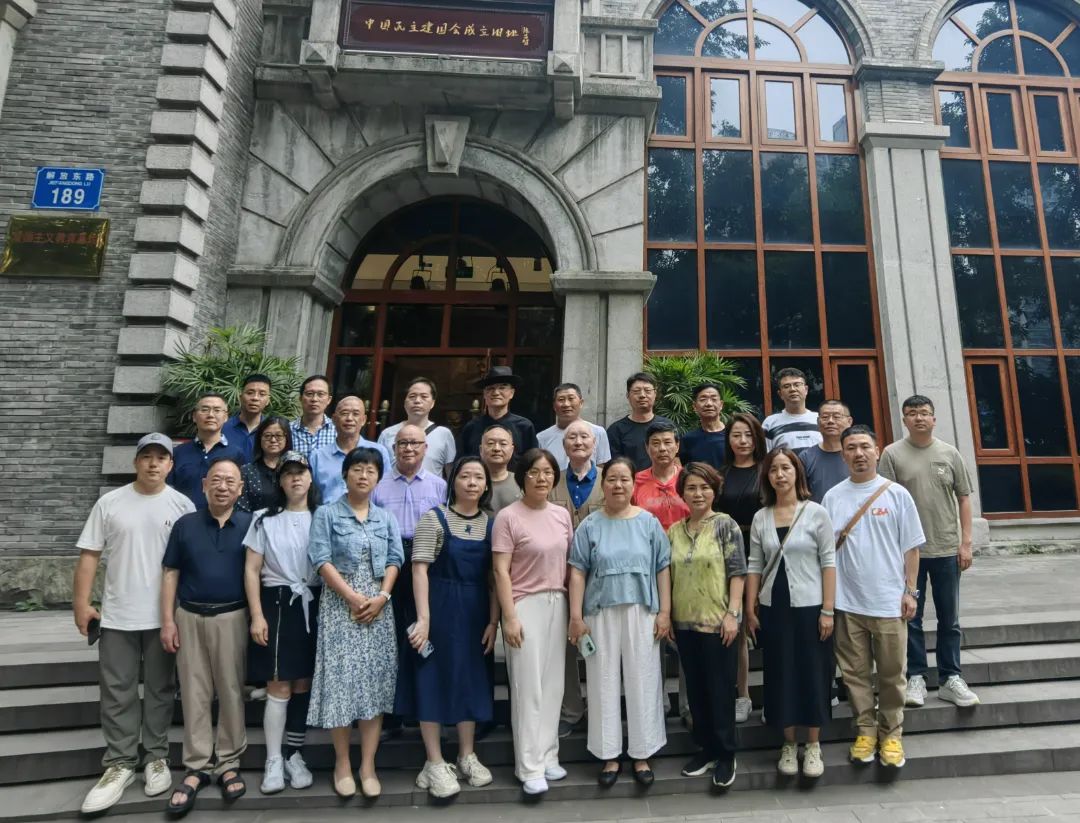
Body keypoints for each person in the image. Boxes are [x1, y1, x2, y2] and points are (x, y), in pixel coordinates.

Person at [73, 433, 196, 815]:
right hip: (118, 615)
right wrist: (81, 604)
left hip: (164, 617)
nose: (153, 463)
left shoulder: (182, 506)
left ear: (171, 465)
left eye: (161, 457)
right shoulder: (110, 503)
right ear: (136, 462)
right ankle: (120, 762)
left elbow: (189, 563)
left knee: (161, 689)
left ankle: (156, 756)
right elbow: (90, 555)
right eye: (147, 457)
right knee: (117, 690)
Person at [822, 425, 924, 769]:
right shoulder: (833, 497)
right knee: (855, 674)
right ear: (843, 454)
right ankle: (865, 730)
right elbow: (826, 553)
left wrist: (910, 591)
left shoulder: (897, 494)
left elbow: (911, 548)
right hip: (847, 603)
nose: (859, 454)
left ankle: (892, 734)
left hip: (889, 602)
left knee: (893, 673)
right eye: (851, 448)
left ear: (877, 451)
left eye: (865, 446)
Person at [569, 457, 672, 789]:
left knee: (644, 679)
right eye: (611, 479)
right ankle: (609, 754)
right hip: (600, 612)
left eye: (624, 479)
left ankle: (642, 753)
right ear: (603, 484)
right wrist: (575, 617)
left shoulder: (649, 523)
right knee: (603, 682)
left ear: (633, 484)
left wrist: (665, 612)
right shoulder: (590, 525)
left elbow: (662, 568)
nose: (618, 485)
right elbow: (577, 571)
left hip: (642, 611)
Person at [306, 447, 403, 799]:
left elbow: (395, 558)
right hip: (339, 608)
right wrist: (351, 596)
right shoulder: (326, 514)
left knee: (373, 685)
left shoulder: (385, 517)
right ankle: (343, 764)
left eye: (371, 471)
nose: (364, 475)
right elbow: (320, 559)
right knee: (341, 685)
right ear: (345, 474)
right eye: (358, 469)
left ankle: (368, 766)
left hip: (378, 609)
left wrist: (382, 597)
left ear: (379, 478)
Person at [160, 457, 252, 815]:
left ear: (240, 489)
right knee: (194, 691)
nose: (222, 486)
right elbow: (170, 573)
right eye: (216, 479)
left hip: (232, 616)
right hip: (189, 616)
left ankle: (228, 761)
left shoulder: (250, 524)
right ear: (203, 485)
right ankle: (197, 765)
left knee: (231, 689)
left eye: (230, 481)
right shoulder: (185, 525)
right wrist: (167, 621)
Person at [406, 457, 499, 798]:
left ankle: (466, 755)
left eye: (478, 477)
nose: (472, 482)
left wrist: (493, 621)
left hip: (475, 612)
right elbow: (419, 569)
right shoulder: (434, 518)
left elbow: (494, 579)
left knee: (470, 679)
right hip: (438, 607)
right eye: (465, 476)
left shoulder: (492, 523)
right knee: (431, 678)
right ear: (453, 481)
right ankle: (433, 761)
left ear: (486, 485)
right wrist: (424, 619)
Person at [879, 395, 979, 710]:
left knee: (950, 618)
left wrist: (966, 542)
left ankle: (951, 678)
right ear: (904, 420)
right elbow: (885, 502)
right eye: (912, 413)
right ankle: (916, 677)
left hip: (947, 549)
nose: (919, 418)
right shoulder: (891, 454)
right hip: (909, 553)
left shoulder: (950, 453)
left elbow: (964, 498)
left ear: (934, 419)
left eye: (924, 413)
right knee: (911, 617)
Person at [746, 449, 836, 779]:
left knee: (813, 671)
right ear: (767, 477)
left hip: (811, 606)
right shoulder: (761, 517)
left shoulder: (816, 513)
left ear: (797, 473)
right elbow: (754, 564)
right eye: (773, 470)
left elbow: (829, 562)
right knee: (780, 671)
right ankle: (788, 743)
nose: (780, 475)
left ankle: (812, 743)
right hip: (774, 606)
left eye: (786, 468)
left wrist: (828, 610)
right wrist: (750, 607)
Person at [492, 448, 574, 795]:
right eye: (534, 472)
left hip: (559, 601)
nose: (542, 478)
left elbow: (569, 565)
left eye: (548, 472)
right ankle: (529, 766)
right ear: (522, 477)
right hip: (524, 605)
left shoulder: (561, 514)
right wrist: (509, 617)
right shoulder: (508, 517)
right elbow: (500, 570)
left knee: (554, 685)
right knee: (528, 688)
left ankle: (549, 755)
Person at [242, 451, 321, 795]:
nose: (295, 478)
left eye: (301, 472)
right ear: (280, 480)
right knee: (278, 685)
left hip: (315, 601)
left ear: (311, 478)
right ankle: (273, 759)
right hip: (277, 603)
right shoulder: (263, 519)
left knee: (303, 683)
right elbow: (251, 569)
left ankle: (293, 753)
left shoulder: (323, 516)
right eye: (288, 473)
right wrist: (257, 614)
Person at [667, 462, 745, 788]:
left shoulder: (726, 525)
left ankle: (726, 754)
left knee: (720, 690)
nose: (698, 494)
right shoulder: (675, 531)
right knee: (696, 692)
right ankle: (706, 749)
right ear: (682, 493)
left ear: (714, 490)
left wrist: (732, 614)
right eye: (691, 488)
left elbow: (737, 572)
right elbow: (668, 575)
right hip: (684, 623)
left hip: (717, 623)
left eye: (704, 488)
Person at [371, 425, 448, 733]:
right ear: (394, 448)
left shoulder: (439, 486)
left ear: (425, 448)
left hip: (428, 563)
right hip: (389, 562)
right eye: (403, 443)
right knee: (390, 636)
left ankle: (419, 706)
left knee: (422, 631)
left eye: (415, 443)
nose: (409, 448)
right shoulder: (379, 486)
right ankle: (390, 711)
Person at [548, 420, 604, 738]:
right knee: (566, 647)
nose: (579, 441)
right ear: (564, 445)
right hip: (560, 577)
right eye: (572, 437)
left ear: (595, 444)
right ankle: (571, 710)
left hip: (600, 579)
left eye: (585, 436)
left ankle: (599, 708)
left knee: (601, 645)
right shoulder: (551, 480)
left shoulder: (610, 479)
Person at [717, 412, 768, 723]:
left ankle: (775, 694)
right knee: (737, 628)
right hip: (731, 554)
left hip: (766, 554)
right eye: (736, 435)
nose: (743, 441)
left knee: (767, 624)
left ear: (757, 438)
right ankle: (743, 695)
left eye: (748, 435)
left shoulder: (768, 470)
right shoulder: (721, 474)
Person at [168, 392, 248, 508]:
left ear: (226, 417)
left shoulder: (236, 454)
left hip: (222, 518)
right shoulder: (178, 452)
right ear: (194, 416)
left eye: (217, 410)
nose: (210, 415)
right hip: (184, 517)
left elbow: (242, 493)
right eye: (205, 410)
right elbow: (168, 490)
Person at [309, 395, 392, 502]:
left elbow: (386, 492)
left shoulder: (379, 452)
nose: (349, 418)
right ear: (334, 419)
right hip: (328, 512)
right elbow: (312, 498)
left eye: (355, 414)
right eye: (344, 413)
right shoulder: (318, 456)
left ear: (363, 420)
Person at [377, 377, 457, 476]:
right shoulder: (387, 434)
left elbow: (450, 473)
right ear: (405, 402)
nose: (417, 401)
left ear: (433, 403)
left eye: (424, 397)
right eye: (412, 396)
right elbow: (378, 470)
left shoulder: (443, 434)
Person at [460, 366, 539, 463]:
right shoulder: (471, 427)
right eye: (491, 388)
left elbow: (533, 462)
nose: (496, 393)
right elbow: (461, 461)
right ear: (484, 394)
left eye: (502, 388)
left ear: (512, 393)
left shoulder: (524, 426)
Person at [606, 372, 675, 472]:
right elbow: (613, 466)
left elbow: (676, 459)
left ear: (655, 394)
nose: (642, 395)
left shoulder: (667, 425)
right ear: (628, 395)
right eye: (636, 391)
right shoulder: (616, 430)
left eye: (647, 390)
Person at [537, 383, 612, 469]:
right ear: (554, 406)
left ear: (581, 403)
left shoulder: (598, 432)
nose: (566, 404)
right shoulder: (542, 438)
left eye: (571, 398)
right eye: (561, 399)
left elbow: (602, 469)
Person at [633, 420, 690, 531]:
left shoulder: (689, 479)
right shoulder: (635, 482)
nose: (662, 448)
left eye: (667, 442)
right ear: (647, 448)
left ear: (677, 446)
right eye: (656, 443)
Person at [799, 400, 853, 504]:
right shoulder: (806, 457)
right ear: (818, 422)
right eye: (825, 417)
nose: (830, 421)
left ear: (849, 421)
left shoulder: (857, 454)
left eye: (837, 417)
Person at [237, 416, 292, 512]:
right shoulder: (246, 471)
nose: (273, 440)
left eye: (279, 435)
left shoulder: (295, 469)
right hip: (255, 520)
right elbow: (241, 508)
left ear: (287, 438)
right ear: (259, 439)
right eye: (267, 436)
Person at [762, 368, 822, 453]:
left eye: (797, 385)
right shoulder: (770, 423)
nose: (792, 389)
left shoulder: (821, 419)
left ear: (806, 390)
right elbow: (766, 456)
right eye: (786, 386)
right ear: (780, 394)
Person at [222, 374, 272, 462]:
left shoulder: (272, 430)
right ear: (240, 397)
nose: (255, 398)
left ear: (268, 400)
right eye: (250, 393)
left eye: (262, 394)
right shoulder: (223, 428)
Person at [678, 383, 727, 469]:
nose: (709, 404)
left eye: (714, 399)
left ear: (721, 405)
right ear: (694, 406)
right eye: (703, 399)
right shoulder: (687, 440)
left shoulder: (732, 435)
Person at [290, 375, 336, 458]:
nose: (314, 399)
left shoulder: (338, 431)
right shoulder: (287, 430)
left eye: (320, 394)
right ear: (300, 398)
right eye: (309, 394)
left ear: (329, 400)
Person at [480, 424, 522, 515]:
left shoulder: (522, 482)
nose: (497, 448)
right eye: (490, 443)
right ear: (481, 449)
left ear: (512, 450)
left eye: (503, 444)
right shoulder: (472, 483)